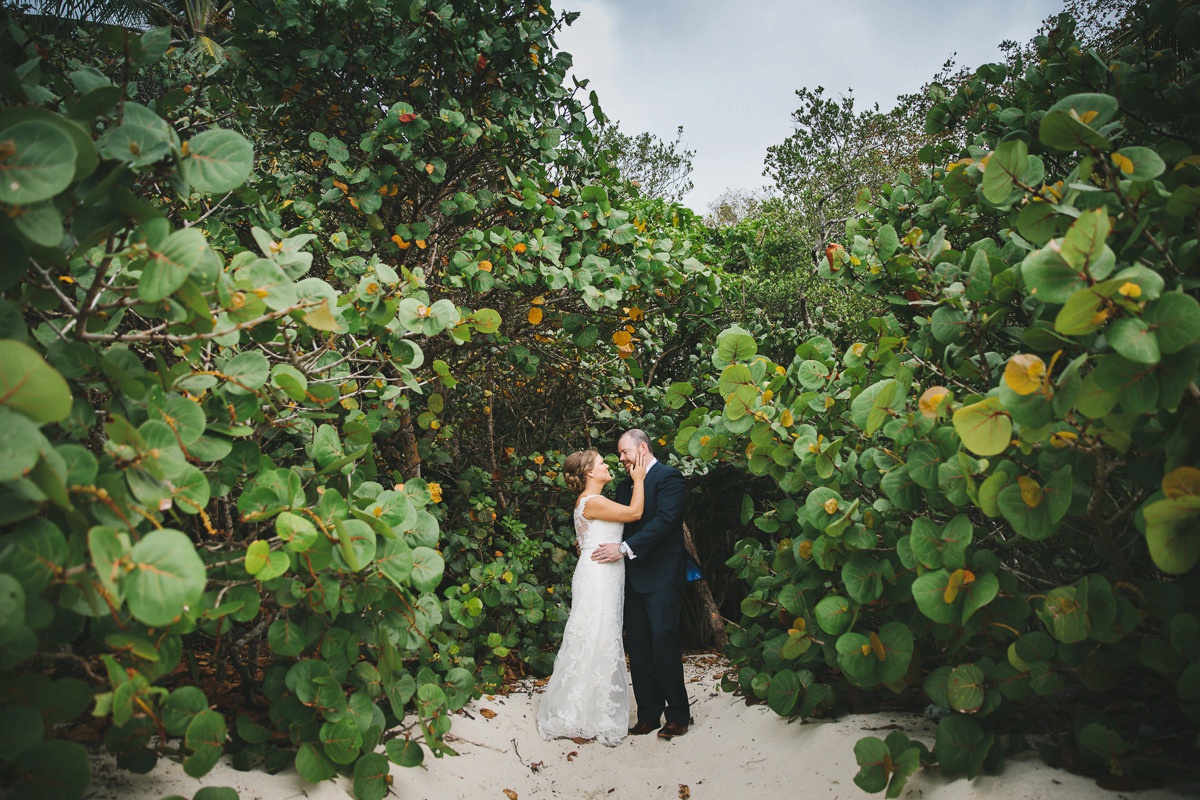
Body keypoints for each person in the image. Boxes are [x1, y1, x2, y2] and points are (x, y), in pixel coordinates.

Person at [536, 448, 649, 746]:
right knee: (593, 633)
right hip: (599, 574)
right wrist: (638, 479)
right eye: (601, 463)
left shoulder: (591, 501)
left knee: (600, 633)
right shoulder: (593, 501)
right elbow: (635, 513)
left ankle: (591, 707)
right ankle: (578, 712)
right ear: (589, 472)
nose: (607, 465)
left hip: (604, 571)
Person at [592, 429, 691, 739]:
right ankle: (648, 713)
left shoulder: (669, 478)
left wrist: (622, 550)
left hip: (662, 575)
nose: (620, 458)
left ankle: (677, 714)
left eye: (624, 451)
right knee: (638, 644)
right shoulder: (624, 486)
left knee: (663, 640)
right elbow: (619, 524)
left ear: (643, 448)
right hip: (631, 578)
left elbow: (665, 521)